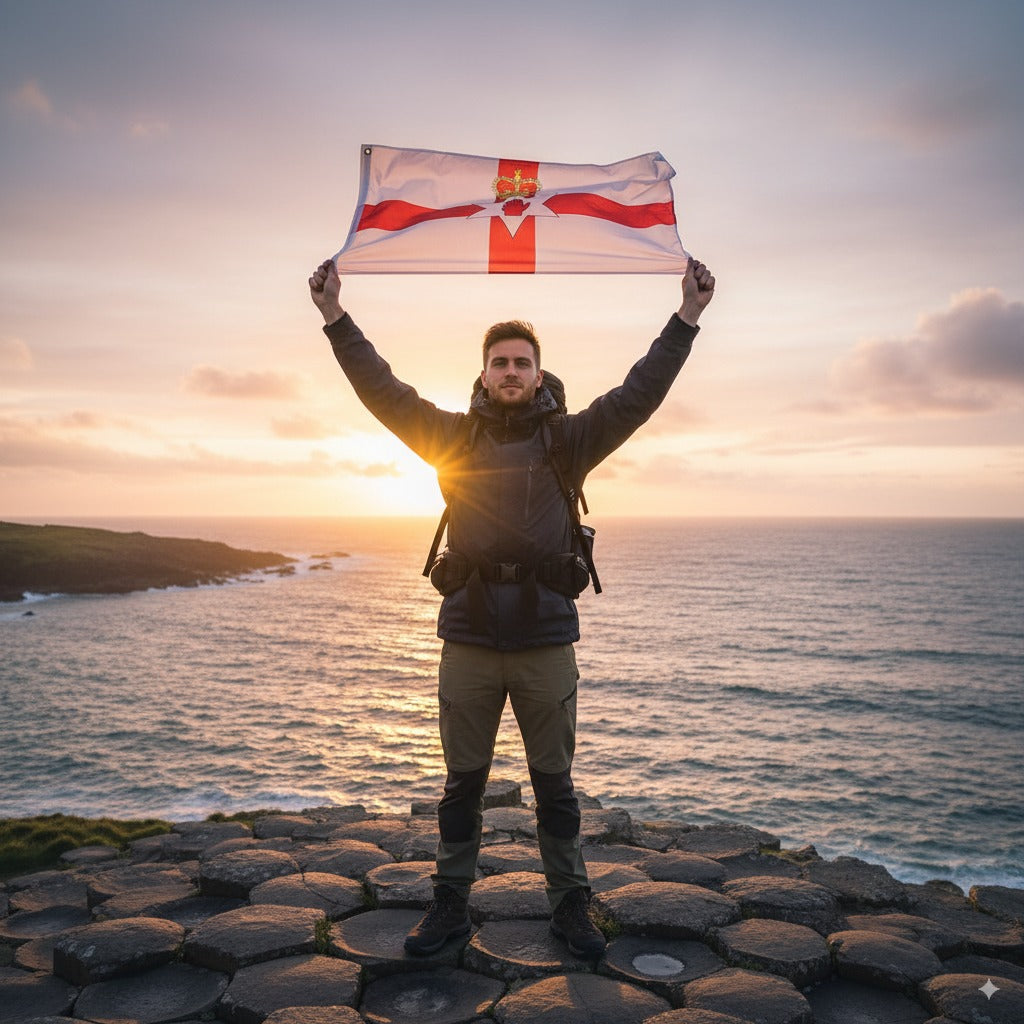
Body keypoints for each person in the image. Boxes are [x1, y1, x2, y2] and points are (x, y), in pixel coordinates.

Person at [308, 256, 715, 958]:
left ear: (538, 372)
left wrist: (686, 317)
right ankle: (449, 906)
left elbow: (639, 393)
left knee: (554, 789)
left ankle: (570, 908)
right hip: (466, 634)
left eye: (521, 362)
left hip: (545, 639)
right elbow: (383, 391)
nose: (510, 372)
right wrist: (335, 318)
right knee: (460, 787)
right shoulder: (450, 437)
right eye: (499, 361)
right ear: (484, 373)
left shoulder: (571, 440)